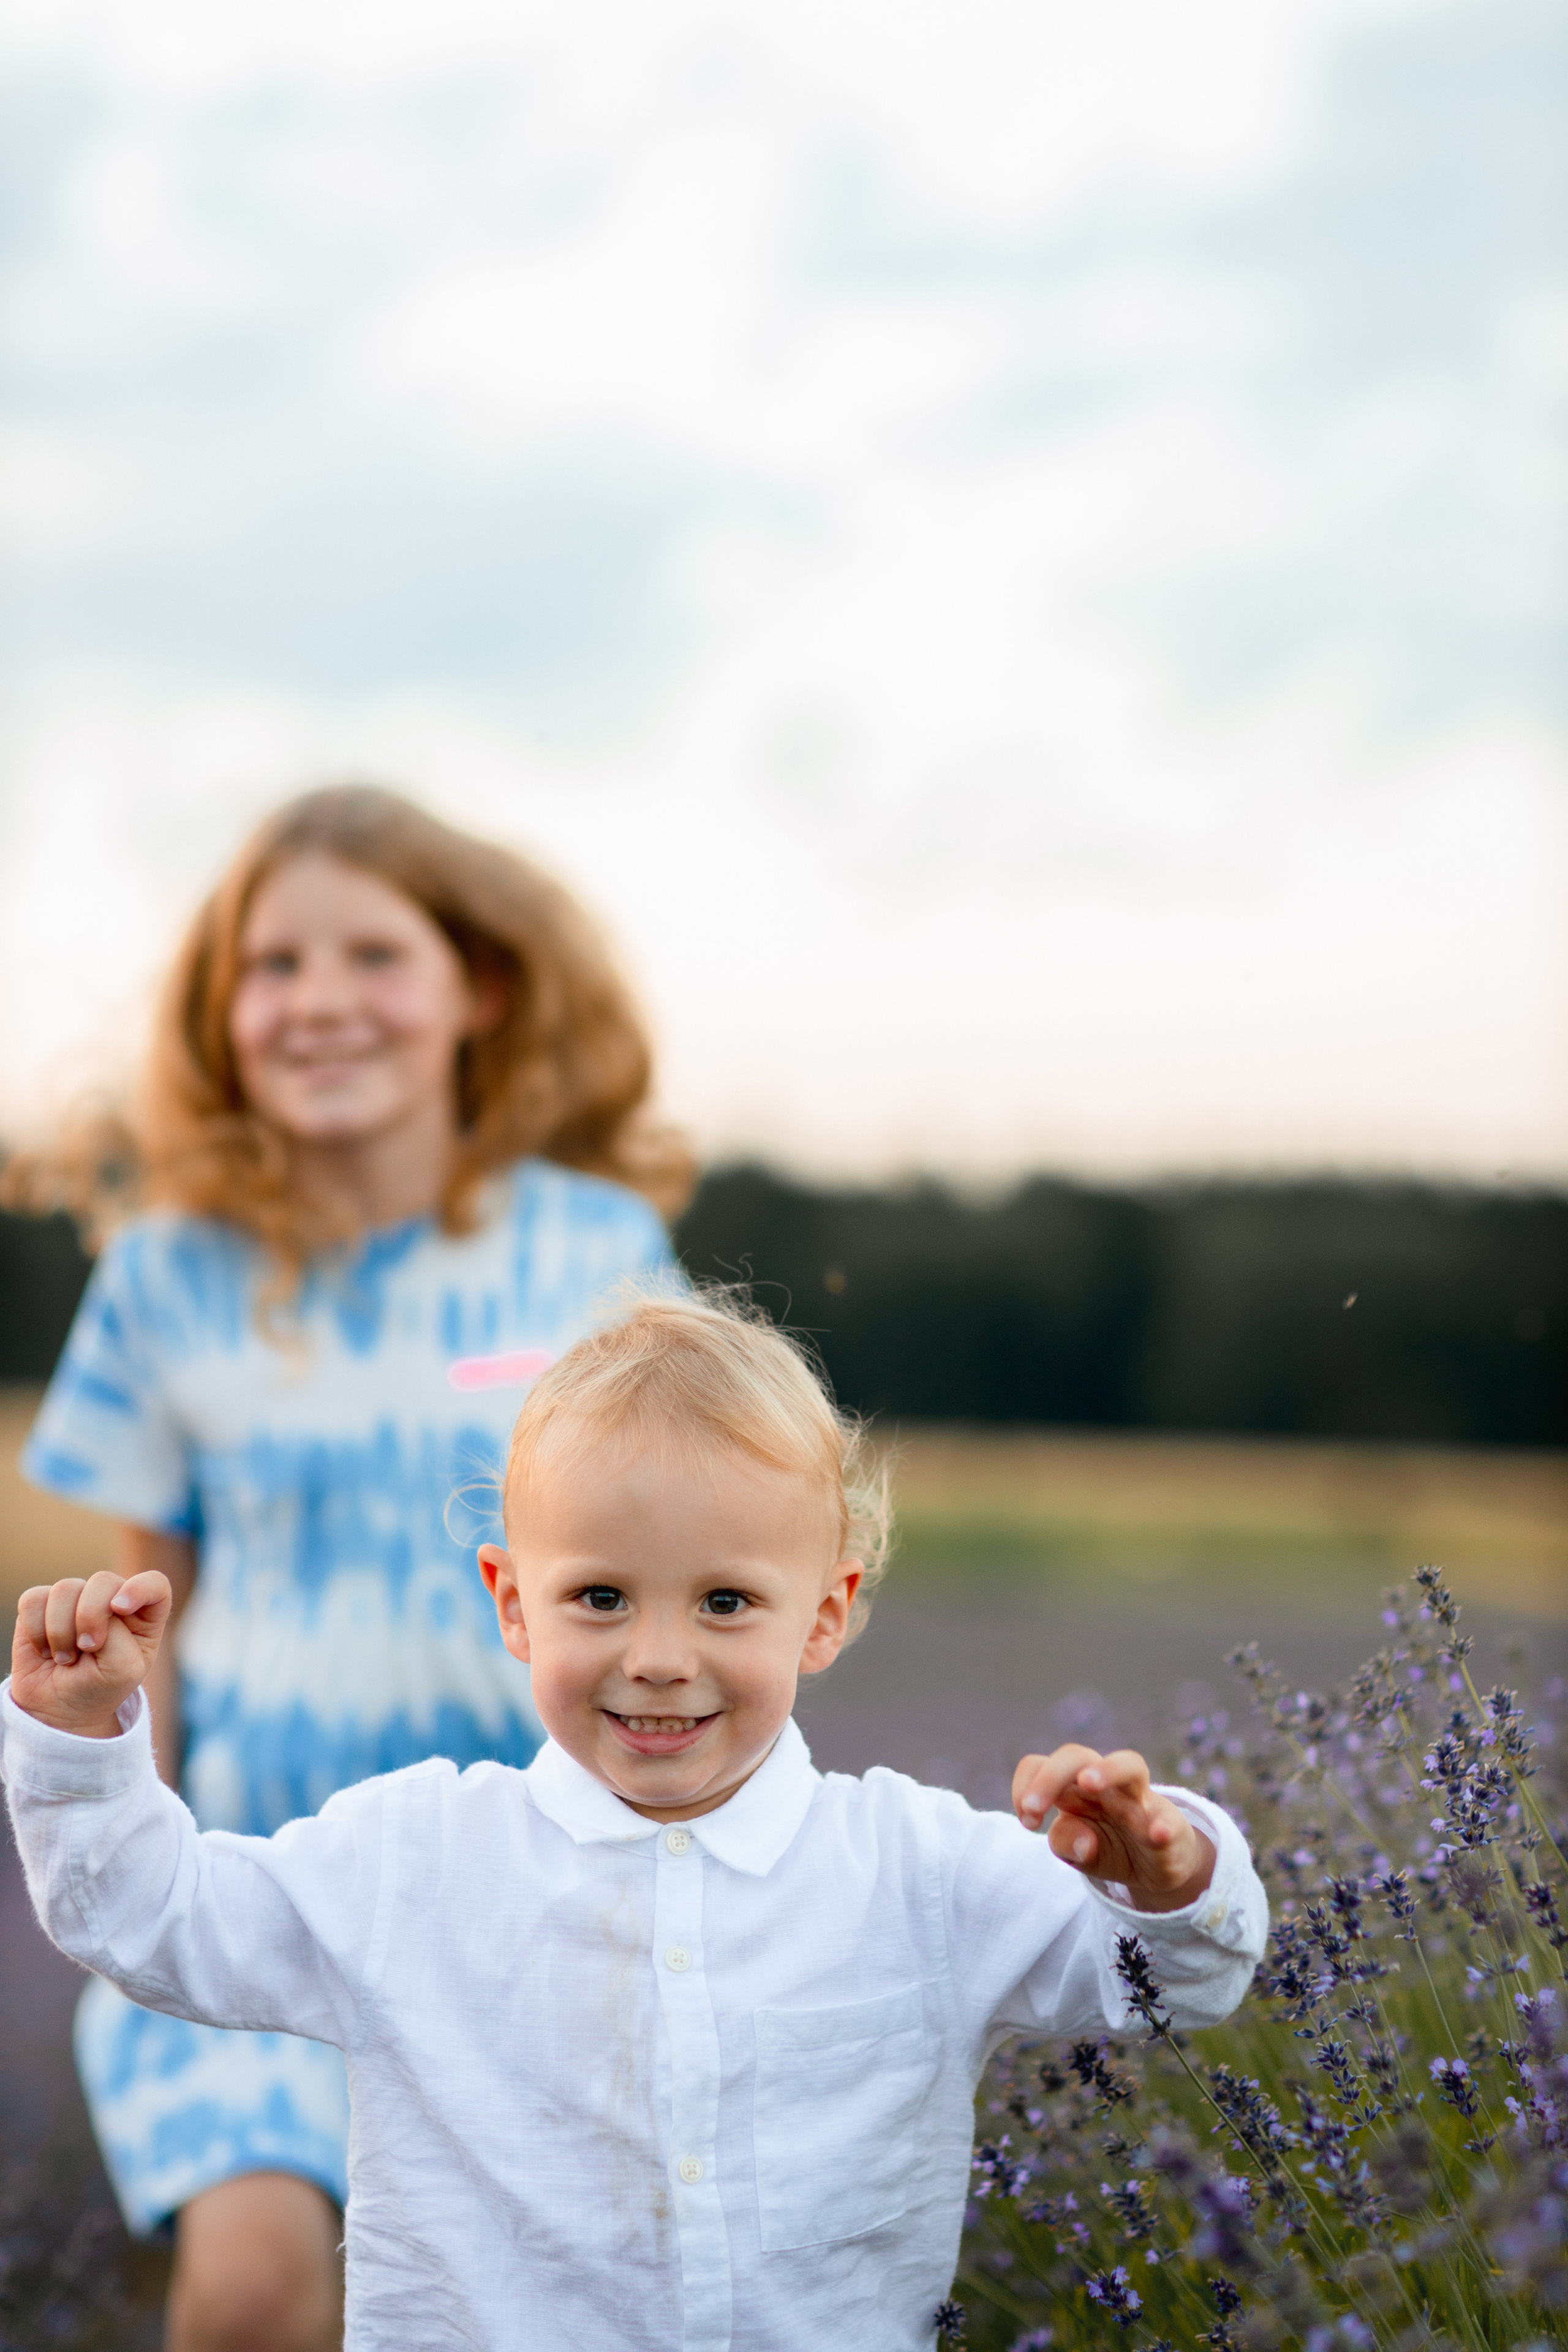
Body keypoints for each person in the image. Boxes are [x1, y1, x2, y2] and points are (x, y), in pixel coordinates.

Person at [4, 1292, 1269, 2352]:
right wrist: (79, 1742)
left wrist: (1163, 1876)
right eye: (601, 1597)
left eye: (725, 1602)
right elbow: (156, 1921)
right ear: (514, 1604)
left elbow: (1181, 1981)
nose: (659, 1657)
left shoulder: (913, 1870)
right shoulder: (415, 1861)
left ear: (824, 1614)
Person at [9, 785, 692, 2351]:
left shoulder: (593, 1253)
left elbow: (691, 1556)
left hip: (542, 1898)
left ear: (478, 989)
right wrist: (120, 1843)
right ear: (223, 1013)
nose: (319, 1000)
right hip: (258, 1893)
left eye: (373, 956)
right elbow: (151, 1617)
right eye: (273, 966)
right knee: (253, 2289)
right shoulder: (165, 1276)